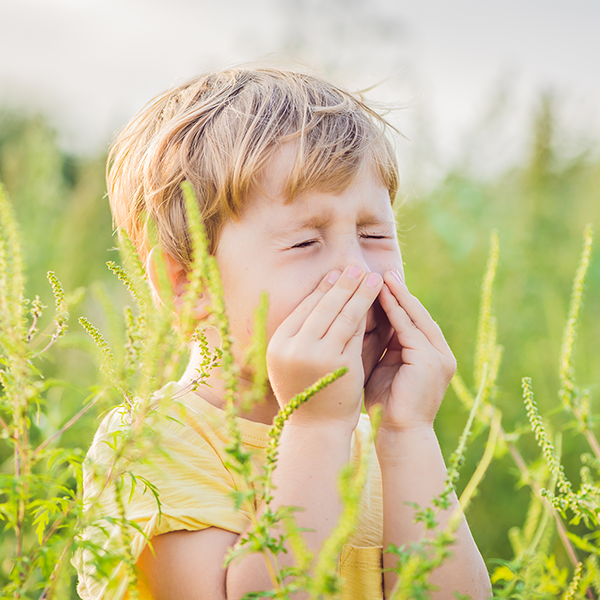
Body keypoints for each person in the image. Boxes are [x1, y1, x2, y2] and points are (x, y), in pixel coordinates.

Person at [75, 66, 492, 600]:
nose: (358, 274)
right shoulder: (150, 445)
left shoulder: (379, 449)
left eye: (374, 234)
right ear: (189, 283)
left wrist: (408, 434)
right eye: (304, 243)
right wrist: (315, 424)